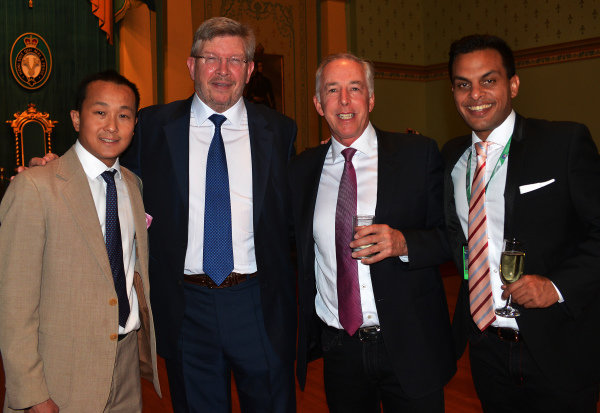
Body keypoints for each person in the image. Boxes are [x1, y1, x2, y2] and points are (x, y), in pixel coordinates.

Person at [120, 17, 297, 413]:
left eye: (235, 60)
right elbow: (107, 174)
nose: (222, 70)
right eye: (211, 58)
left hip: (259, 305)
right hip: (187, 308)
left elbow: (292, 211)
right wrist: (58, 168)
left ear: (250, 71)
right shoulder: (151, 127)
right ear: (191, 65)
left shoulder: (280, 131)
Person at [289, 53, 456, 413]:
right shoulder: (302, 170)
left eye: (355, 89)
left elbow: (452, 238)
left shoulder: (418, 155)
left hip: (410, 343)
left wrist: (404, 242)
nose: (345, 101)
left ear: (372, 98)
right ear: (319, 104)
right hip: (341, 347)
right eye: (333, 91)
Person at [443, 34, 600, 413]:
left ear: (513, 84)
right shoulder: (451, 158)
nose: (475, 94)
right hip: (485, 349)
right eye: (464, 84)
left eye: (489, 80)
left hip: (558, 346)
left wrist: (557, 286)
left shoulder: (563, 142)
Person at [0, 70, 160, 413]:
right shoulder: (36, 187)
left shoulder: (133, 185)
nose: (112, 126)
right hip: (61, 374)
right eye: (100, 112)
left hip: (127, 366)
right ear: (76, 118)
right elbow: (14, 304)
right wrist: (31, 393)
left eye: (124, 115)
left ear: (135, 124)